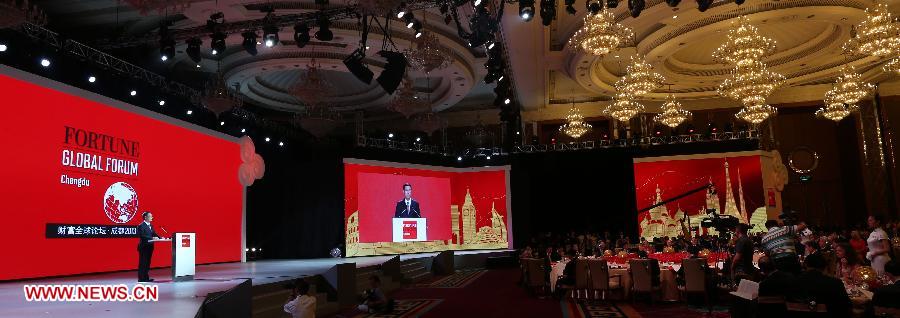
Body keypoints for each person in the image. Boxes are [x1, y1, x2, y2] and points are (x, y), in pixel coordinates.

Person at [791, 253, 851, 318]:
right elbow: (846, 306)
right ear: (824, 266)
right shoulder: (835, 283)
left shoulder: (793, 282)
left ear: (805, 264)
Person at [137, 211, 164, 282]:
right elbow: (142, 236)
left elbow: (153, 233)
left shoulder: (151, 225)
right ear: (145, 217)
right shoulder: (141, 226)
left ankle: (146, 278)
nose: (152, 217)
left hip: (150, 246)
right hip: (144, 247)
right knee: (143, 262)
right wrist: (152, 238)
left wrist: (160, 238)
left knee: (148, 262)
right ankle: (141, 278)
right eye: (150, 216)